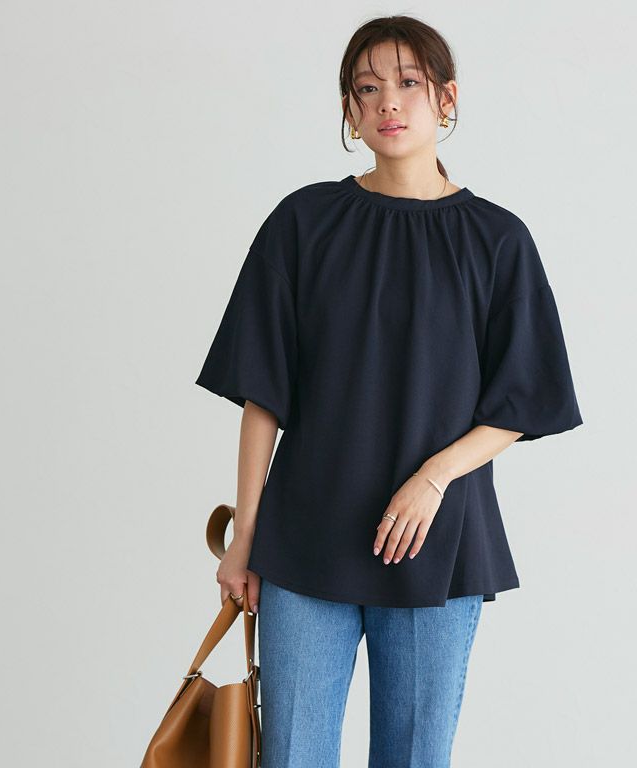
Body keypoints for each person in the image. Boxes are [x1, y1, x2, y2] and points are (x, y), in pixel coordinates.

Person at [194, 14, 583, 768]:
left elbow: (521, 399)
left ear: (447, 98)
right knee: (292, 757)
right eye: (367, 89)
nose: (388, 103)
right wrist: (244, 535)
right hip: (305, 543)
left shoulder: (497, 239)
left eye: (408, 83)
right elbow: (262, 392)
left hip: (436, 546)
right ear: (349, 110)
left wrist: (434, 477)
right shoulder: (304, 222)